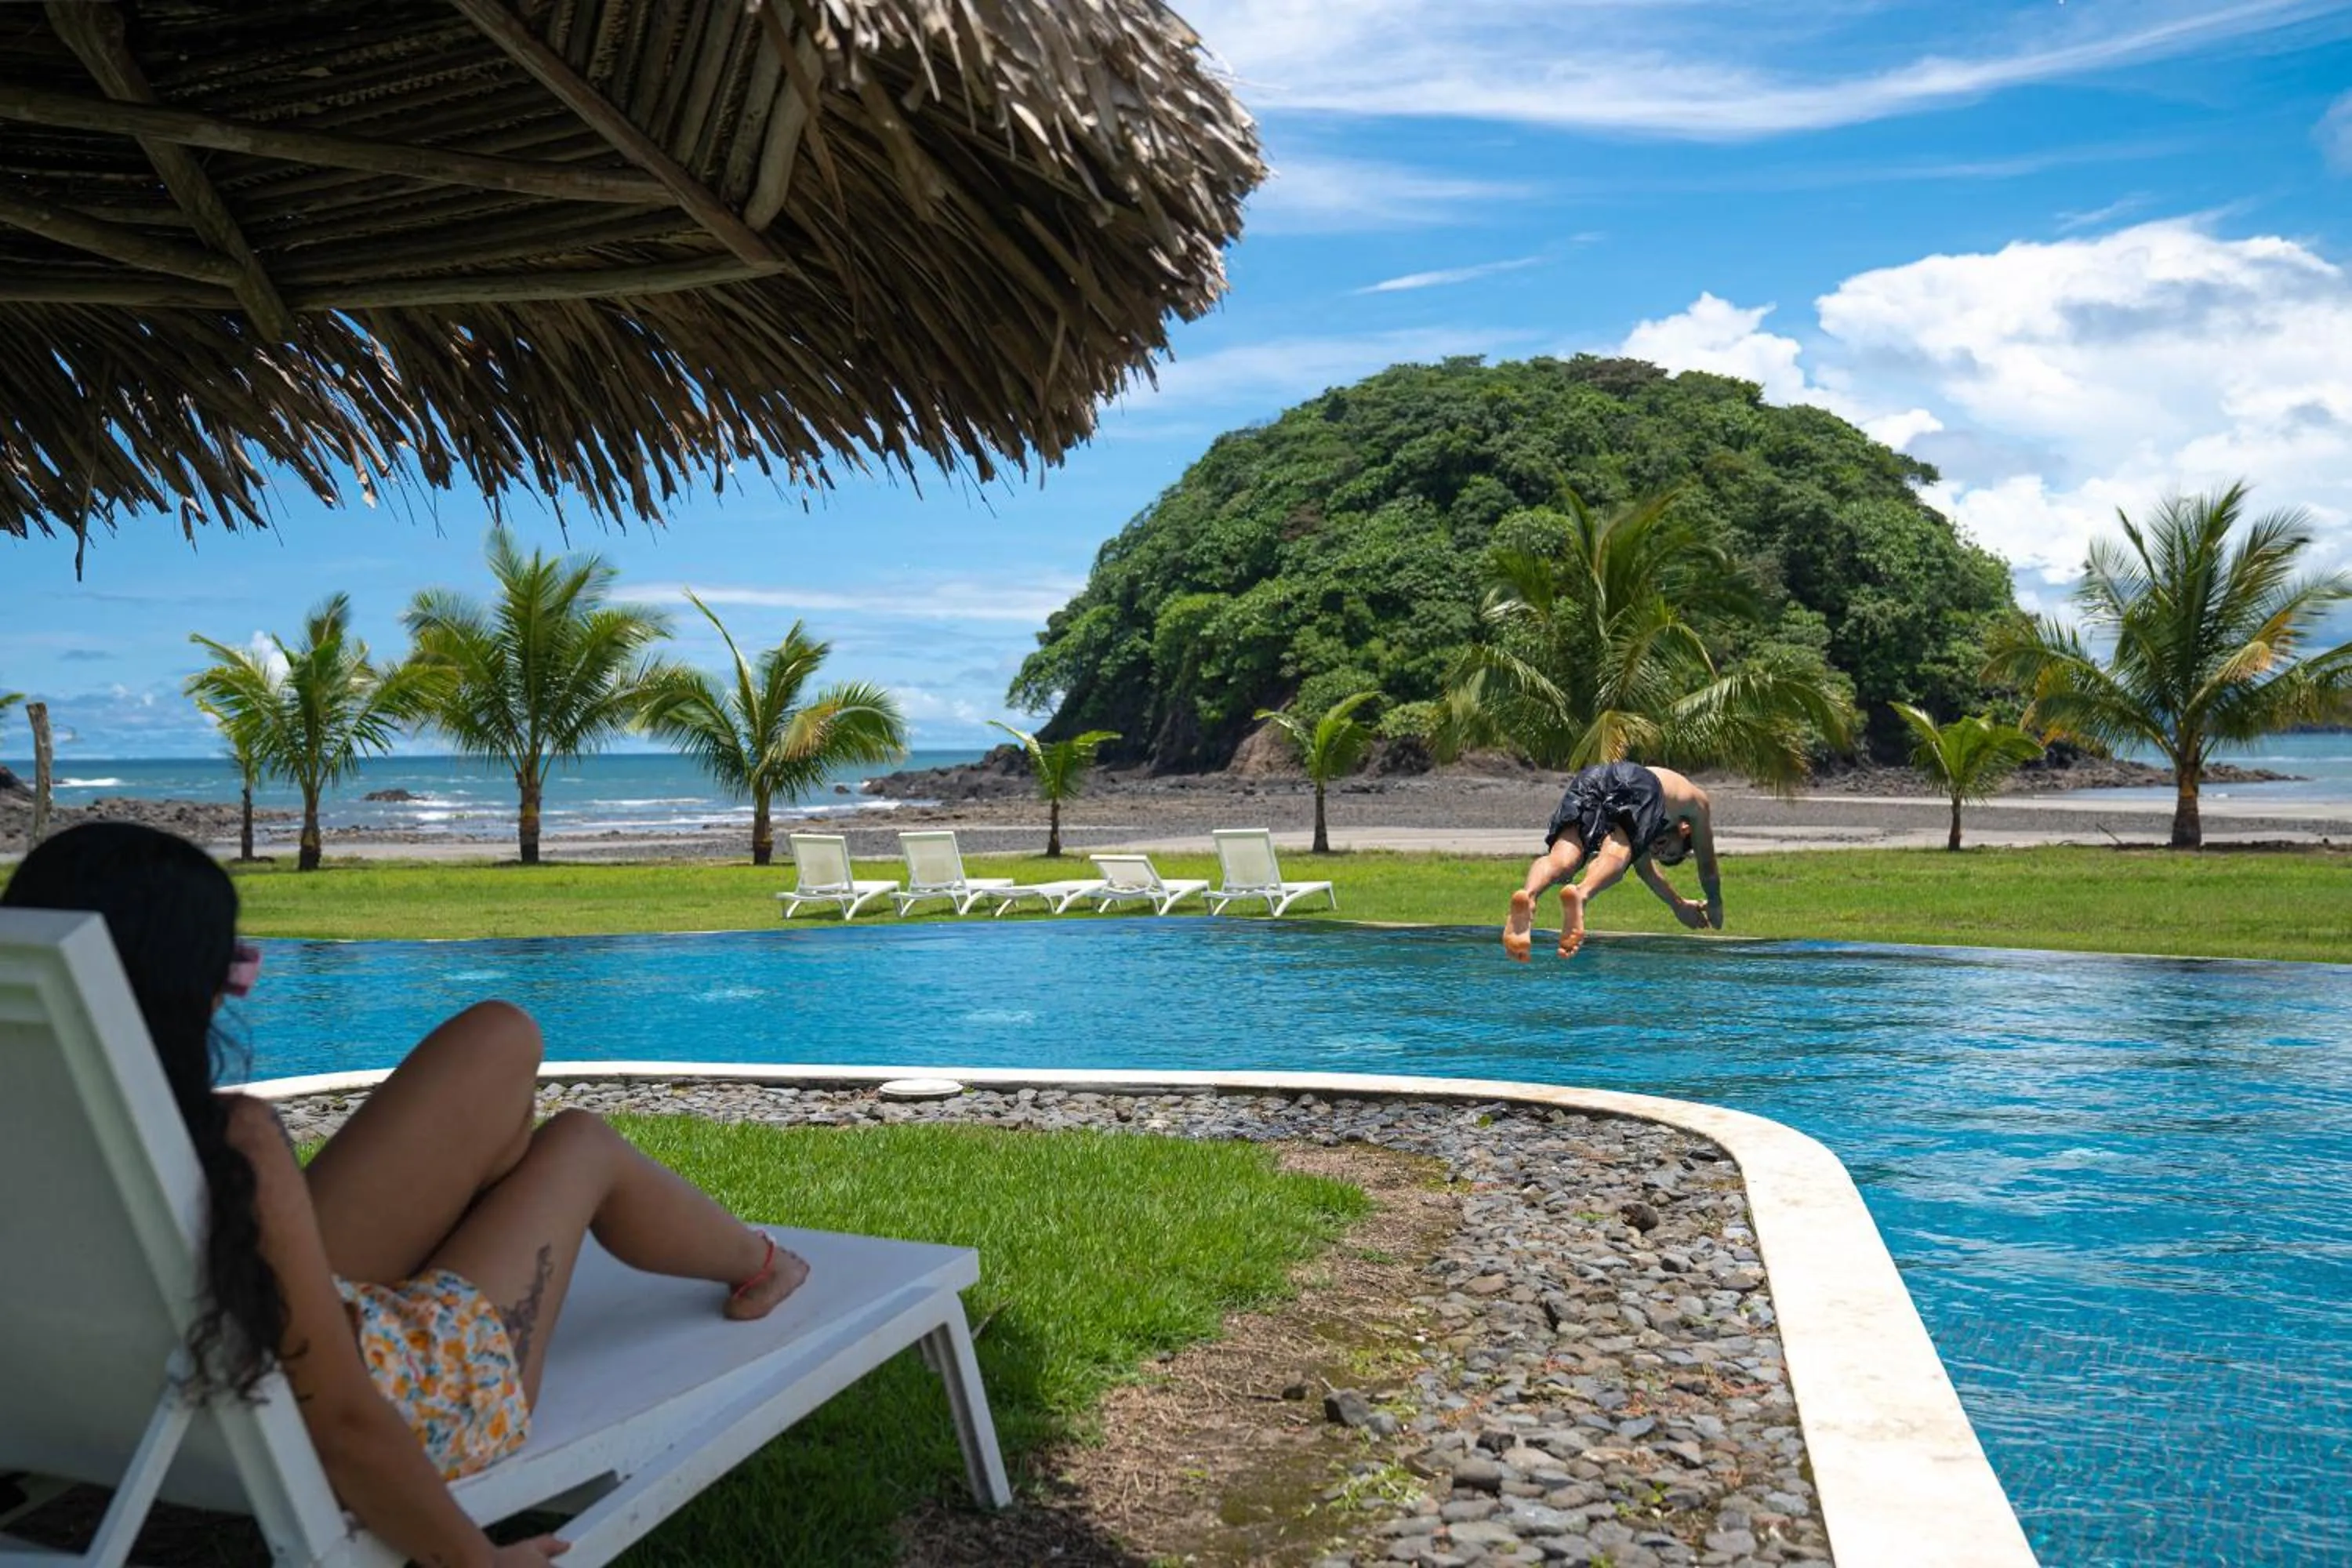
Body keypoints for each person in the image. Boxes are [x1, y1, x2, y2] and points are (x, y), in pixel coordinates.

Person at [2, 823, 809, 1568]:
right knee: (577, 1144)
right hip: (394, 1402)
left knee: (500, 1035)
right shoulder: (230, 1146)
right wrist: (478, 1562)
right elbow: (344, 1425)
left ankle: (497, 1205)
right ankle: (761, 1263)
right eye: (232, 966)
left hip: (128, 1393)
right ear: (188, 989)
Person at [1503, 760, 1720, 962]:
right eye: (1670, 852)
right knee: (1617, 854)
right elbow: (1707, 865)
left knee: (1562, 860)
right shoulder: (1697, 804)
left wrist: (1679, 905)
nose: (1659, 851)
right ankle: (1581, 894)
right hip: (1639, 782)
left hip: (1595, 776)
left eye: (1659, 855)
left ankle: (1529, 895)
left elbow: (1647, 871)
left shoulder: (1656, 816)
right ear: (1685, 830)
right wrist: (1715, 903)